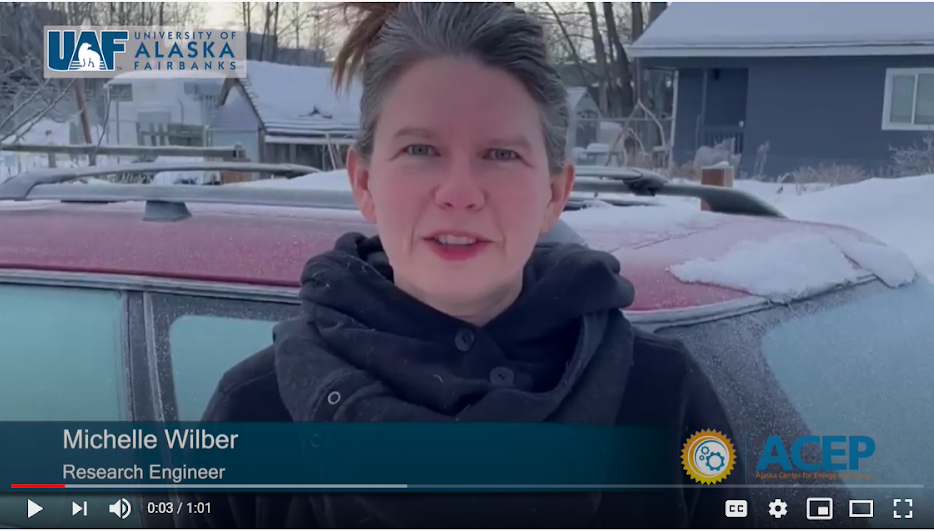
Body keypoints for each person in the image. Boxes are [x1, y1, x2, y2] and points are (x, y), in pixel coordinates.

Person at [180, 2, 742, 528]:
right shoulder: (254, 414)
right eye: (421, 150)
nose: (460, 193)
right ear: (365, 181)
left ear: (554, 194)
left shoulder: (663, 398)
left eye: (501, 154)